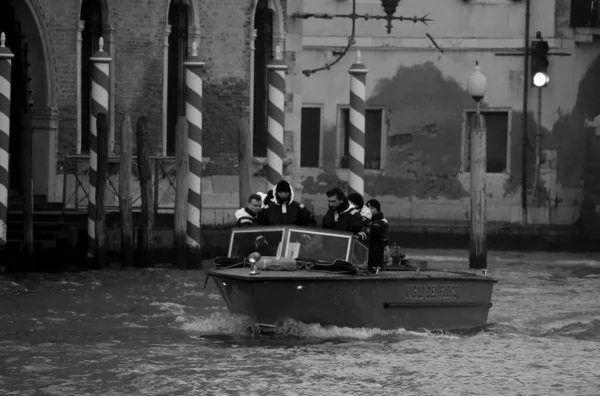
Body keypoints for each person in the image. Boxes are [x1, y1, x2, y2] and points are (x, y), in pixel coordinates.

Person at [366, 199, 389, 271]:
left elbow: (381, 232)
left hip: (377, 253)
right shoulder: (366, 219)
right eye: (368, 208)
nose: (369, 210)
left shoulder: (382, 221)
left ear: (377, 209)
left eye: (372, 208)